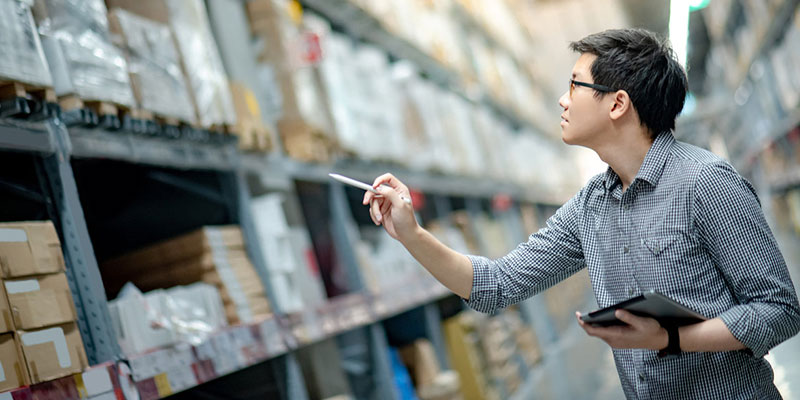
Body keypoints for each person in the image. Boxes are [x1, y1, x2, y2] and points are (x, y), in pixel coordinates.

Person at [362, 28, 800, 399]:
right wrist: (412, 234)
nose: (562, 100)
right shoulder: (591, 206)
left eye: (575, 85)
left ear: (617, 104)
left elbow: (780, 310)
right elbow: (496, 285)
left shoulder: (706, 183)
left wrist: (671, 338)